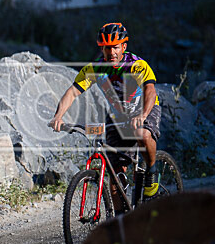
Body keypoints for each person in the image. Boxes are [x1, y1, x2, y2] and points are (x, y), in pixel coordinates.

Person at [49, 22, 161, 210]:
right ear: (101, 48)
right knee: (115, 171)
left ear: (124, 46)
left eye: (115, 47)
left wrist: (142, 115)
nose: (112, 52)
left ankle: (152, 170)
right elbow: (72, 92)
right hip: (118, 117)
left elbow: (150, 90)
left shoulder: (137, 65)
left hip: (144, 109)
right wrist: (58, 116)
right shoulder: (95, 69)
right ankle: (120, 222)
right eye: (107, 48)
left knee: (143, 134)